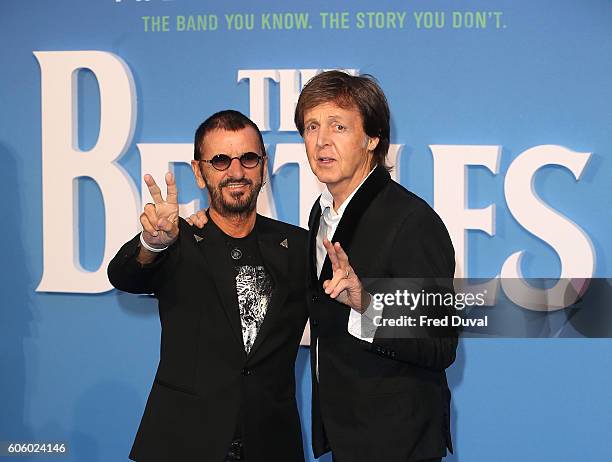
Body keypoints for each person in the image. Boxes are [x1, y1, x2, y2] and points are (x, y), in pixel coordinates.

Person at [107, 110, 308, 462]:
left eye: (248, 159)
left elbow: (351, 313)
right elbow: (124, 275)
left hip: (271, 444)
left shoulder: (299, 246)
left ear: (263, 165)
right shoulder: (177, 240)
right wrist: (153, 243)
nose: (236, 172)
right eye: (220, 160)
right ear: (199, 172)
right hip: (183, 444)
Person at [294, 70, 457, 462]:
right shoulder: (321, 215)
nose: (321, 141)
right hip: (349, 436)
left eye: (338, 126)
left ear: (372, 138)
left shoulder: (411, 221)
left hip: (397, 442)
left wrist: (366, 305)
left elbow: (440, 343)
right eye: (312, 126)